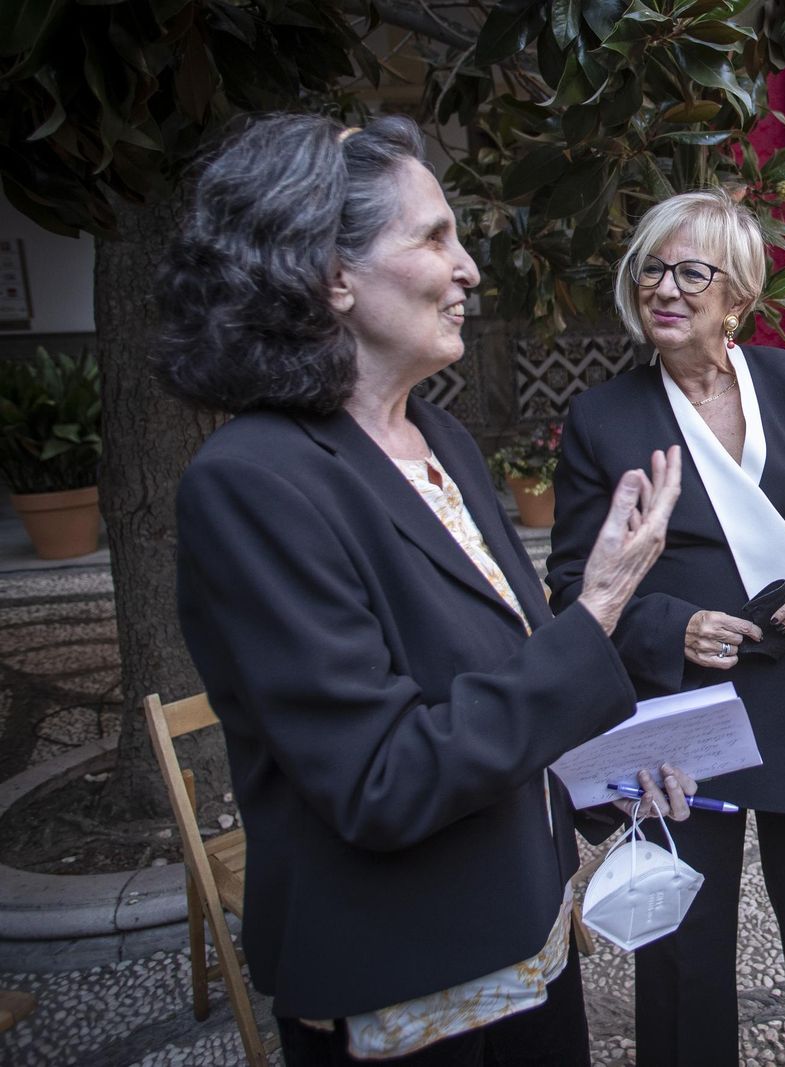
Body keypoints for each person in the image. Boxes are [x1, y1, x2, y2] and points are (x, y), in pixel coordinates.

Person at [155, 113, 694, 1066]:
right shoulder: (253, 482)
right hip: (406, 982)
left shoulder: (436, 438)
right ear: (332, 273)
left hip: (528, 939)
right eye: (435, 237)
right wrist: (598, 609)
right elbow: (382, 779)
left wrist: (609, 771)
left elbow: (500, 676)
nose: (470, 269)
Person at [545, 187, 785, 1067]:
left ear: (738, 295)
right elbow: (573, 582)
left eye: (692, 271)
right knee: (684, 944)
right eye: (651, 269)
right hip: (684, 717)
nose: (666, 288)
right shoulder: (603, 417)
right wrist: (670, 626)